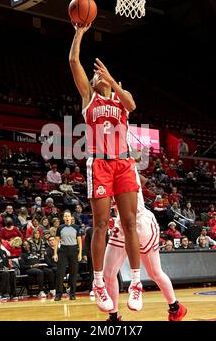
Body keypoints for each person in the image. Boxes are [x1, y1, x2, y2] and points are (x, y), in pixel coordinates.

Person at [69, 23, 141, 312]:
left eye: (100, 73)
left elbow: (132, 105)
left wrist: (112, 79)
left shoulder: (121, 99)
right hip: (99, 163)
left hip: (124, 163)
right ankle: (98, 283)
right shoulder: (89, 98)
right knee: (100, 224)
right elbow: (74, 61)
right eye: (96, 73)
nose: (97, 75)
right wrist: (79, 32)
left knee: (129, 223)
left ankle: (136, 283)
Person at [103, 175, 186, 321]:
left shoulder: (125, 164)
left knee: (154, 272)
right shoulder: (103, 169)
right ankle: (114, 316)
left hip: (142, 224)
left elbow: (142, 180)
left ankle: (176, 307)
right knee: (108, 273)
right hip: (121, 225)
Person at [53, 210, 82, 301]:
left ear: (71, 217)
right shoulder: (60, 228)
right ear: (63, 218)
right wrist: (55, 253)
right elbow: (56, 241)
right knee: (60, 273)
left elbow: (79, 241)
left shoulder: (76, 227)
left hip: (73, 250)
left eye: (68, 216)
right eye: (65, 216)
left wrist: (80, 253)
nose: (67, 218)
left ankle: (72, 294)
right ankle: (58, 294)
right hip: (63, 250)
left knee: (73, 273)